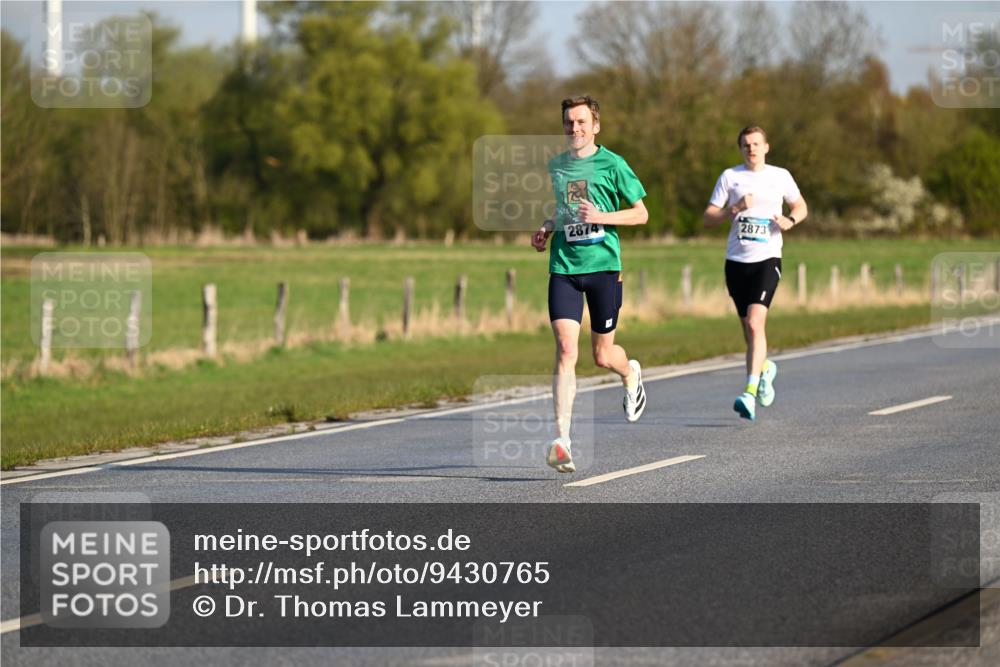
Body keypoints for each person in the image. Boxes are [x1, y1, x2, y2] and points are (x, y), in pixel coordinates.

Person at [531, 96, 649, 473]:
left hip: (603, 267)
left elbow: (641, 213)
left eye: (581, 122)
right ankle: (562, 440)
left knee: (602, 356)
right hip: (565, 266)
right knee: (566, 349)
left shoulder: (613, 164)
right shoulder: (558, 166)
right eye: (569, 122)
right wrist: (548, 227)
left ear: (595, 125)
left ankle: (629, 373)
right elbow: (566, 209)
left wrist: (602, 215)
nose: (574, 129)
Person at [703, 126, 808, 421]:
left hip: (767, 258)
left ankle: (749, 392)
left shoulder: (780, 176)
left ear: (766, 146)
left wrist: (790, 220)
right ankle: (764, 369)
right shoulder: (730, 177)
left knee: (754, 322)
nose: (751, 149)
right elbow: (708, 217)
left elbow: (800, 206)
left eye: (756, 143)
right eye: (746, 144)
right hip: (736, 262)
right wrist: (732, 209)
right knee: (749, 331)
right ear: (740, 149)